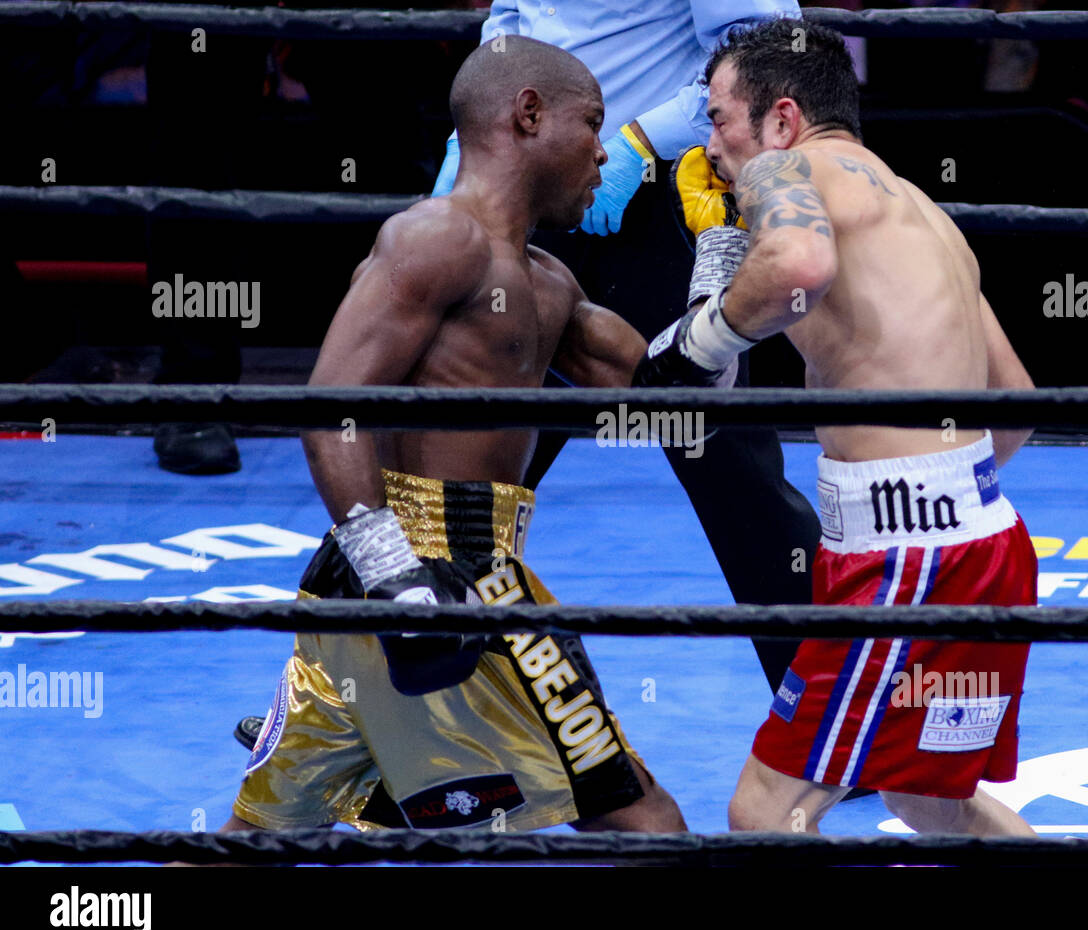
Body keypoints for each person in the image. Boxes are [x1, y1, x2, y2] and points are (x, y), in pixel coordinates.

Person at [219, 36, 685, 836]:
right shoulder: (437, 237)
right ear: (528, 115)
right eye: (592, 124)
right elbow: (333, 402)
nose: (602, 153)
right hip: (440, 574)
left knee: (257, 843)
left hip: (402, 586)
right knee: (643, 820)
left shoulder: (547, 282)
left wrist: (729, 284)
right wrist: (396, 575)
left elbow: (670, 402)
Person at [634, 19, 1039, 836]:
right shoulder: (923, 209)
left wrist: (691, 344)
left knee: (762, 811)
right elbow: (1015, 400)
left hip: (905, 564)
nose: (707, 144)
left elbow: (798, 267)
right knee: (925, 796)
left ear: (781, 119)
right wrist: (937, 496)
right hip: (982, 543)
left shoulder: (786, 169)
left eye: (717, 118)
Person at [432, 0, 821, 698]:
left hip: (653, 200)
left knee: (728, 460)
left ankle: (835, 709)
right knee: (459, 453)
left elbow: (766, 53)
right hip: (525, 197)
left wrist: (644, 139)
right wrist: (466, 146)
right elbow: (514, 25)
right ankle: (356, 699)